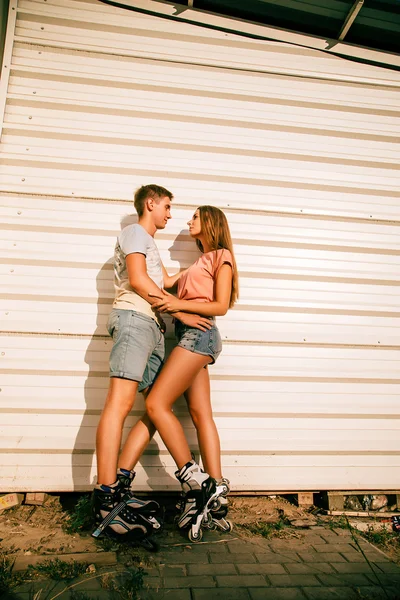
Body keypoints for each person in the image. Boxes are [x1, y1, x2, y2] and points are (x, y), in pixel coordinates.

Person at [92, 184, 212, 548]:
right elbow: (140, 282)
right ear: (151, 203)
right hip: (134, 320)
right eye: (167, 206)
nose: (171, 214)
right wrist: (181, 312)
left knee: (155, 406)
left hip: (152, 328)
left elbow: (164, 282)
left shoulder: (149, 243)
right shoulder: (134, 233)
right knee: (120, 403)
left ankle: (182, 480)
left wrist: (205, 265)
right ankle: (105, 499)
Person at [146, 205, 239, 540]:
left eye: (195, 217)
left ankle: (195, 479)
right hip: (189, 336)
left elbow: (220, 306)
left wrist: (177, 306)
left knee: (156, 404)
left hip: (201, 334)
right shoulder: (195, 264)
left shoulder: (221, 256)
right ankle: (217, 494)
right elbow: (161, 284)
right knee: (201, 414)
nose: (188, 221)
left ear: (211, 223)